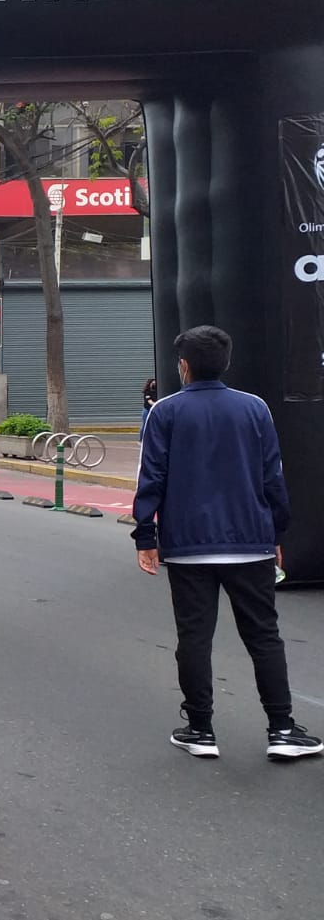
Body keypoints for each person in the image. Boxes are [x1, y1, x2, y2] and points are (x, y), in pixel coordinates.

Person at [132, 325, 321, 761]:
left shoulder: (164, 412)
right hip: (251, 541)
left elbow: (152, 477)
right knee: (264, 637)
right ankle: (282, 728)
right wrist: (276, 533)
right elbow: (272, 475)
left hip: (188, 546)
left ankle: (200, 729)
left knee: (194, 637)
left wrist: (146, 535)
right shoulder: (254, 409)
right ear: (227, 362)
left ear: (183, 366)